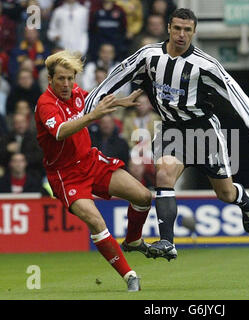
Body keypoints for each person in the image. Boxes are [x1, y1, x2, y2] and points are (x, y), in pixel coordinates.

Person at [84, 8, 249, 261]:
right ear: (169, 29)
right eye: (177, 29)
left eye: (187, 30)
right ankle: (167, 242)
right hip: (171, 128)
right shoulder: (149, 55)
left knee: (225, 194)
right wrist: (88, 106)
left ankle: (244, 201)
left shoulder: (204, 65)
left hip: (204, 131)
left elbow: (233, 91)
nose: (182, 35)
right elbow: (118, 75)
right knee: (164, 173)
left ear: (194, 32)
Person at [34, 50, 154, 292]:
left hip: (91, 161)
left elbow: (92, 102)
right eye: (61, 79)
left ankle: (132, 240)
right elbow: (60, 132)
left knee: (143, 197)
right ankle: (130, 276)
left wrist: (120, 101)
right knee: (96, 221)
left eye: (70, 78)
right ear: (50, 80)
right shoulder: (45, 104)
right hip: (65, 174)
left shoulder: (78, 94)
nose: (67, 84)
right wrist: (92, 117)